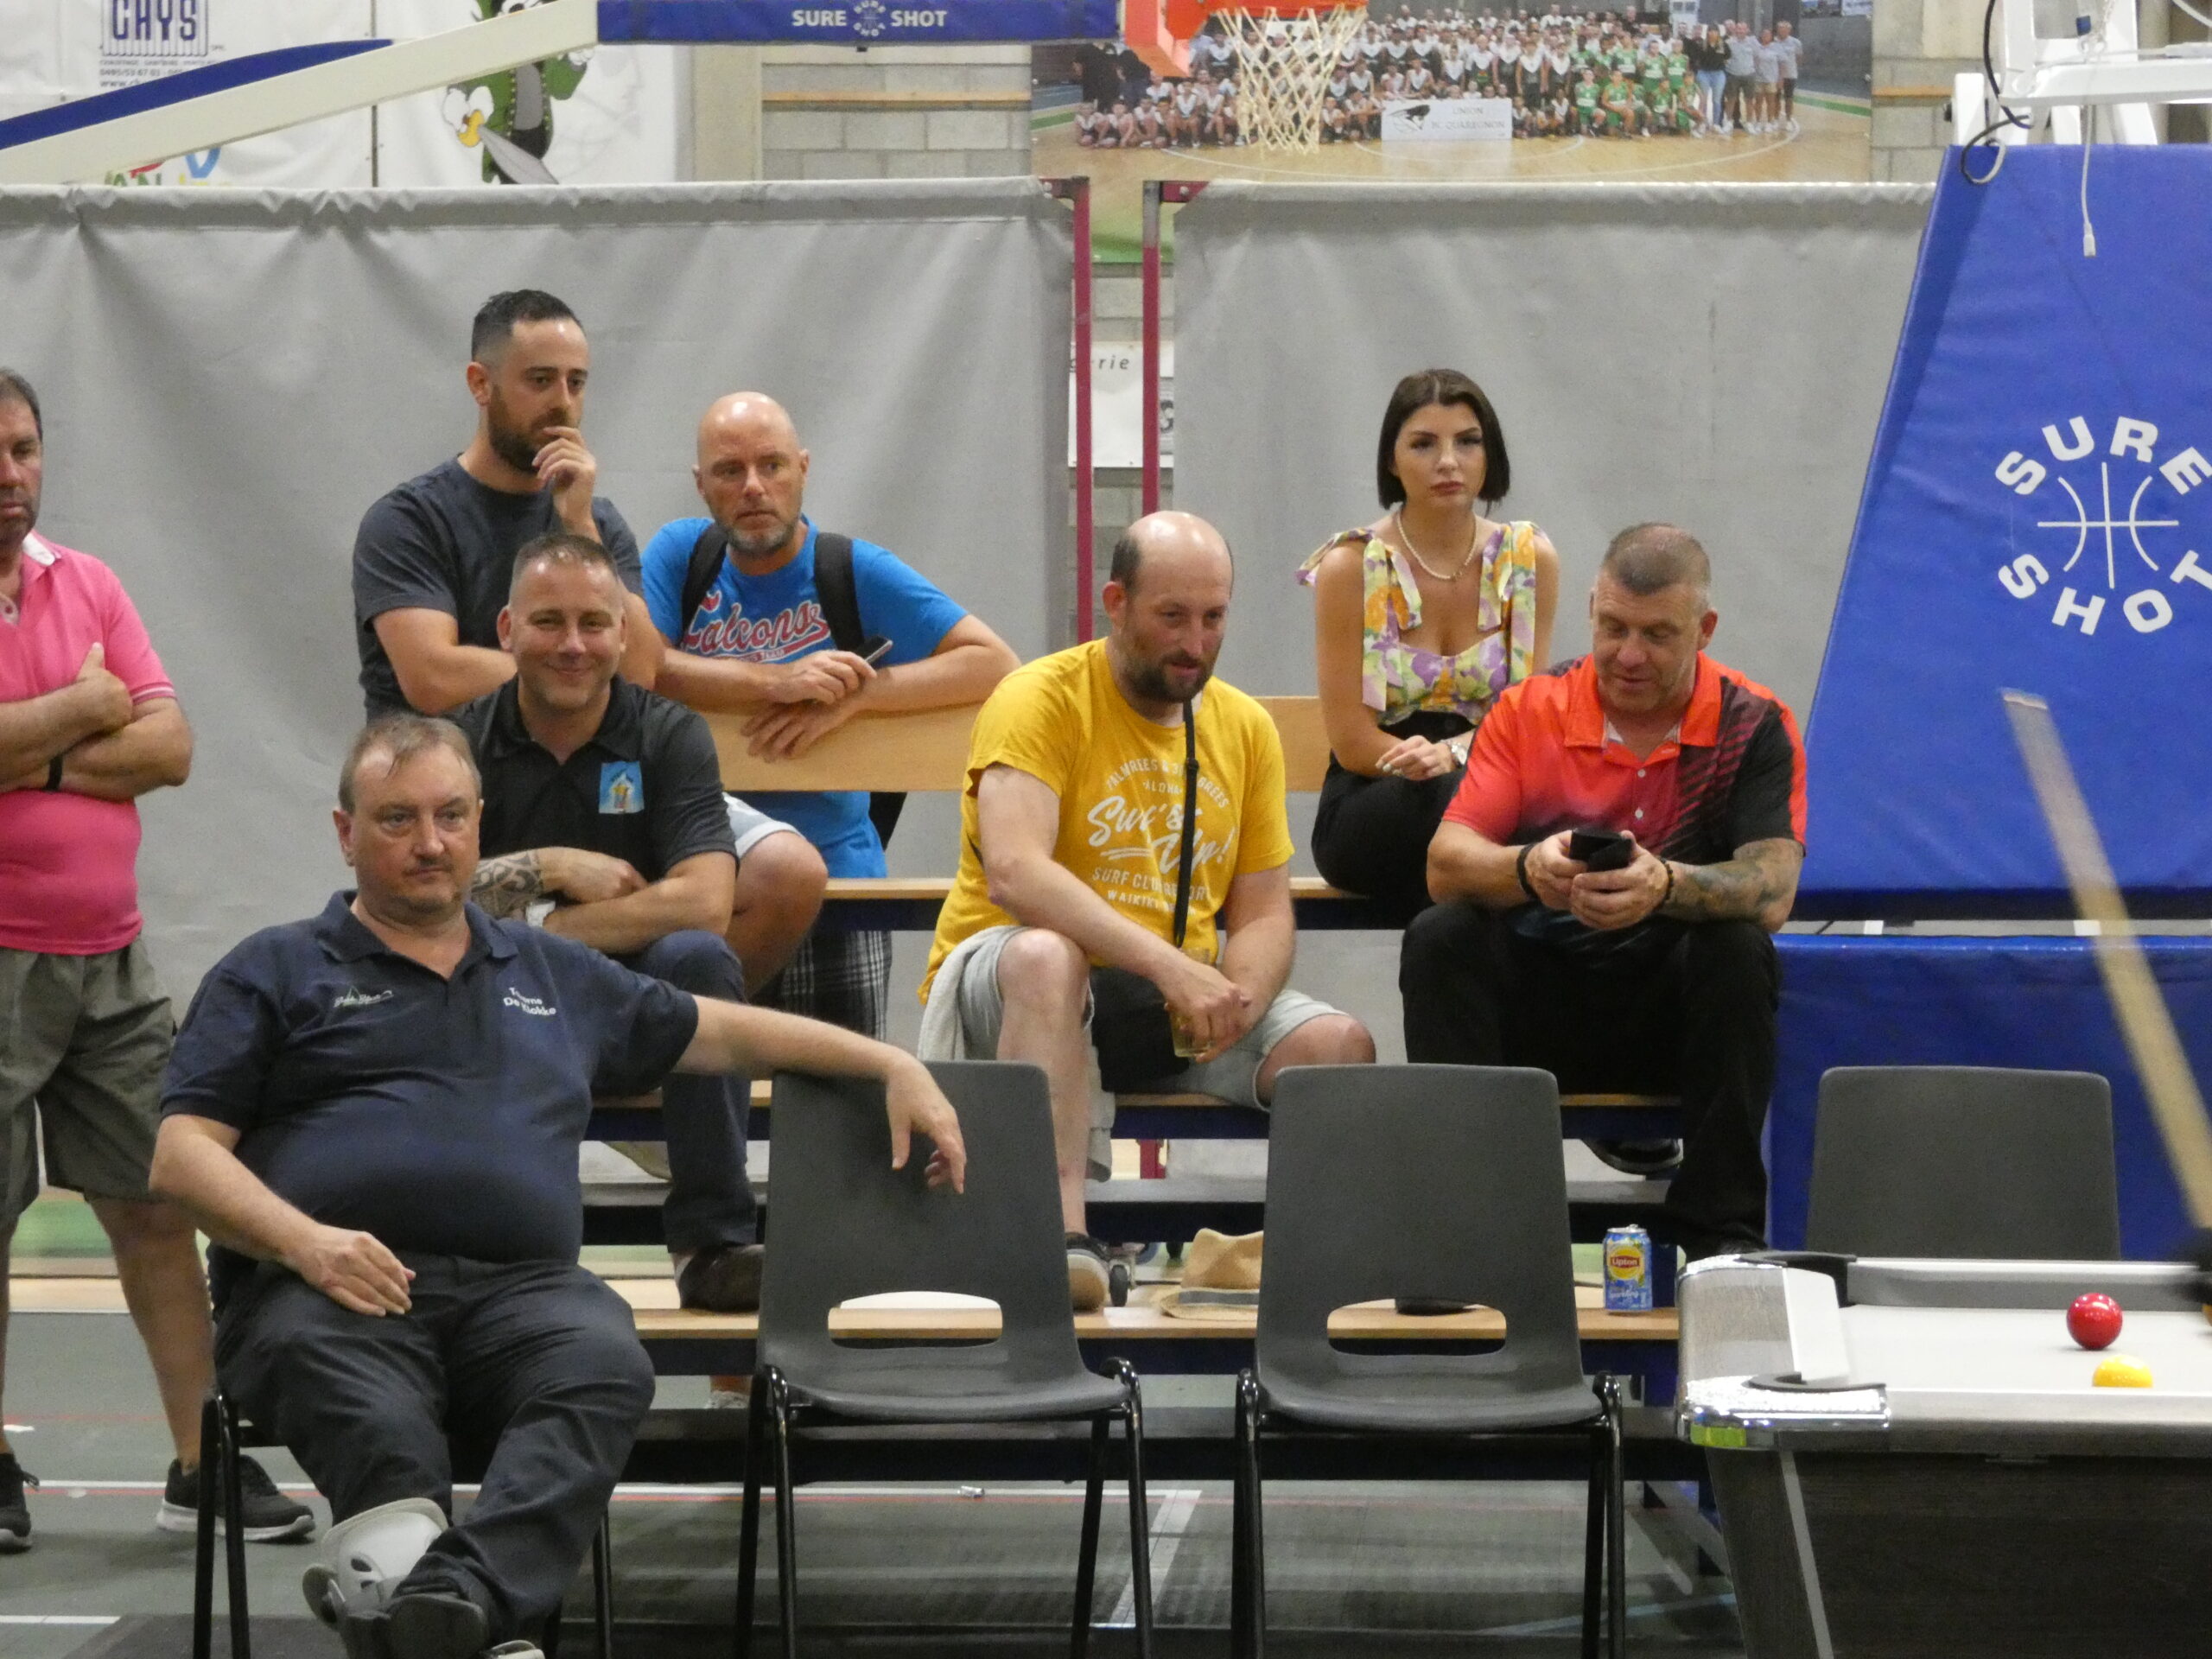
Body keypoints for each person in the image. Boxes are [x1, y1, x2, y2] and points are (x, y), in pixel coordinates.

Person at [151, 715, 965, 1659]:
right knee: (376, 1426)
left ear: (479, 824)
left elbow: (726, 1032)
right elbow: (180, 1155)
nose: (430, 843)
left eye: (452, 816)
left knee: (603, 1362)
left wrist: (888, 1063)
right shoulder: (273, 970)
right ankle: (459, 1609)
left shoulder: (549, 970)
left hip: (522, 1295)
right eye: (398, 819)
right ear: (346, 833)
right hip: (331, 1292)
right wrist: (307, 1243)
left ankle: (447, 1601)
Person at [0, 371, 312, 1552]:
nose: (10, 475)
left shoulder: (87, 582)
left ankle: (203, 1456)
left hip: (109, 961)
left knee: (157, 1202)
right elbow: (124, 727)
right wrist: (88, 706)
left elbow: (171, 745)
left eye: (24, 449)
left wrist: (38, 751)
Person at [919, 512, 1376, 1312]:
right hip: (1018, 986)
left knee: (1337, 1045)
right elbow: (1015, 874)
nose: (1195, 643)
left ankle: (1309, 1269)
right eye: (1172, 616)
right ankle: (1060, 1241)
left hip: (1164, 1001)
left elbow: (1264, 912)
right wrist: (1170, 967)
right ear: (1116, 603)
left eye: (1214, 617)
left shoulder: (1245, 728)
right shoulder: (1038, 698)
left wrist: (1238, 999)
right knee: (1048, 957)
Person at [1402, 524, 1805, 1259]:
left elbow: (1773, 890)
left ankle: (1722, 1242)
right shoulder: (1529, 709)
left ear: (1705, 630)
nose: (1629, 655)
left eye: (1658, 635)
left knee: (1740, 950)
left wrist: (1665, 884)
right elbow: (1445, 864)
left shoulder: (1754, 725)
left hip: (1671, 1020)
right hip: (1543, 1008)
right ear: (1590, 608)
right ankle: (1464, 1237)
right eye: (1614, 628)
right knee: (1440, 938)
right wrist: (1528, 868)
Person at [447, 532, 765, 1313]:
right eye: (549, 622)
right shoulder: (458, 742)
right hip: (503, 1003)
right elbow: (424, 896)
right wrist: (552, 864)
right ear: (507, 631)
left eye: (594, 623)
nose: (573, 645)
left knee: (700, 959)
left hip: (628, 1010)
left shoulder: (669, 733)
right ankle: (479, 1254)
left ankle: (714, 1246)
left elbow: (706, 900)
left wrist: (549, 929)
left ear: (624, 634)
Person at [643, 393, 1019, 1038]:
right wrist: (776, 681)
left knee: (838, 1099)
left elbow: (995, 663)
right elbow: (642, 667)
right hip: (704, 881)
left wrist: (860, 696)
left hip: (838, 884)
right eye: (730, 471)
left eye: (772, 465)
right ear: (701, 485)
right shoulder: (682, 556)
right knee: (688, 1078)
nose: (754, 487)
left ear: (803, 469)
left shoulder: (848, 568)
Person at [1300, 376, 1559, 927]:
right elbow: (1352, 742)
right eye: (1423, 444)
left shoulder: (1529, 558)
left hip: (1487, 778)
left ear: (1490, 454)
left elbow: (1527, 718)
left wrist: (1455, 754)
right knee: (1465, 811)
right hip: (1377, 793)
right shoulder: (1351, 565)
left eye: (1467, 441)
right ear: (1391, 462)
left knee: (1521, 816)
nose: (1448, 462)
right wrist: (1428, 765)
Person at [352, 289, 661, 722]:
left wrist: (579, 526)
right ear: (480, 384)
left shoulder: (598, 522)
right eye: (540, 380)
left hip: (560, 765)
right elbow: (435, 678)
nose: (563, 403)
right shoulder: (409, 521)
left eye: (576, 383)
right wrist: (584, 671)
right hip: (444, 762)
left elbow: (641, 672)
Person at [1773, 20, 1802, 132]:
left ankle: (1789, 121)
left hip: (1790, 75)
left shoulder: (1796, 42)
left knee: (1789, 99)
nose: (1783, 31)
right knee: (1776, 98)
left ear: (1789, 30)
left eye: (1785, 29)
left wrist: (1791, 67)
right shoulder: (1773, 41)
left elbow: (1799, 58)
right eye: (1781, 29)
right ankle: (1775, 120)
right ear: (1777, 30)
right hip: (1775, 76)